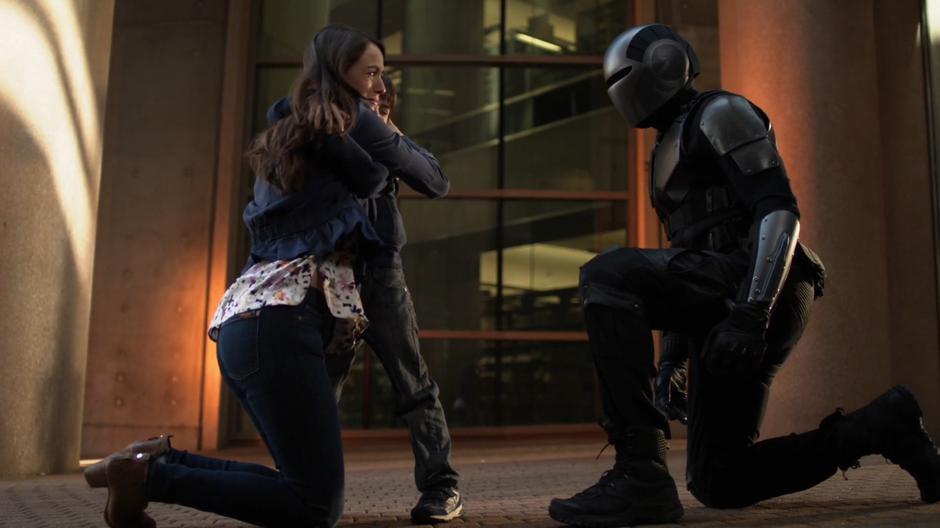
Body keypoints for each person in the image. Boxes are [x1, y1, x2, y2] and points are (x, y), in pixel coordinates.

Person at [548, 24, 940, 527]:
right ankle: (880, 426)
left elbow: (778, 212)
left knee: (606, 275)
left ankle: (640, 473)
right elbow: (685, 258)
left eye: (624, 76)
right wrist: (673, 360)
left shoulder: (721, 112)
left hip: (762, 285)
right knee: (721, 479)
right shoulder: (667, 147)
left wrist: (752, 313)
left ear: (663, 65)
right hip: (724, 296)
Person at [86, 26, 437, 528]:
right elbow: (406, 179)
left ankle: (148, 464)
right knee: (314, 506)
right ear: (342, 77)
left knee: (299, 485)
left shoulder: (290, 133)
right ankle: (151, 478)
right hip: (281, 323)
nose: (381, 88)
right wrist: (387, 134)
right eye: (373, 75)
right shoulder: (341, 128)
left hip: (246, 322)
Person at [272, 71, 463, 523]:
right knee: (321, 390)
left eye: (383, 102)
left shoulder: (386, 144)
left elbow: (434, 178)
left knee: (414, 385)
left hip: (381, 276)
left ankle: (442, 487)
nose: (376, 105)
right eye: (368, 97)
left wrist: (391, 132)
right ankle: (298, 485)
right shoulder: (325, 137)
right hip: (334, 275)